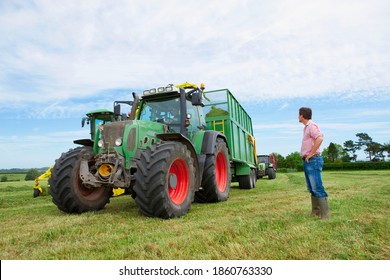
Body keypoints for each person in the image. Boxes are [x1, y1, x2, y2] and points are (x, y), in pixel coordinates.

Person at [299, 107, 330, 220]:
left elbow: (320, 138)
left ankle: (325, 215)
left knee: (317, 187)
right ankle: (316, 212)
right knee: (312, 188)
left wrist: (311, 153)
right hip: (307, 161)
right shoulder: (306, 128)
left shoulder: (311, 126)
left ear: (302, 115)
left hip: (313, 160)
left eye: (299, 115)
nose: (298, 117)